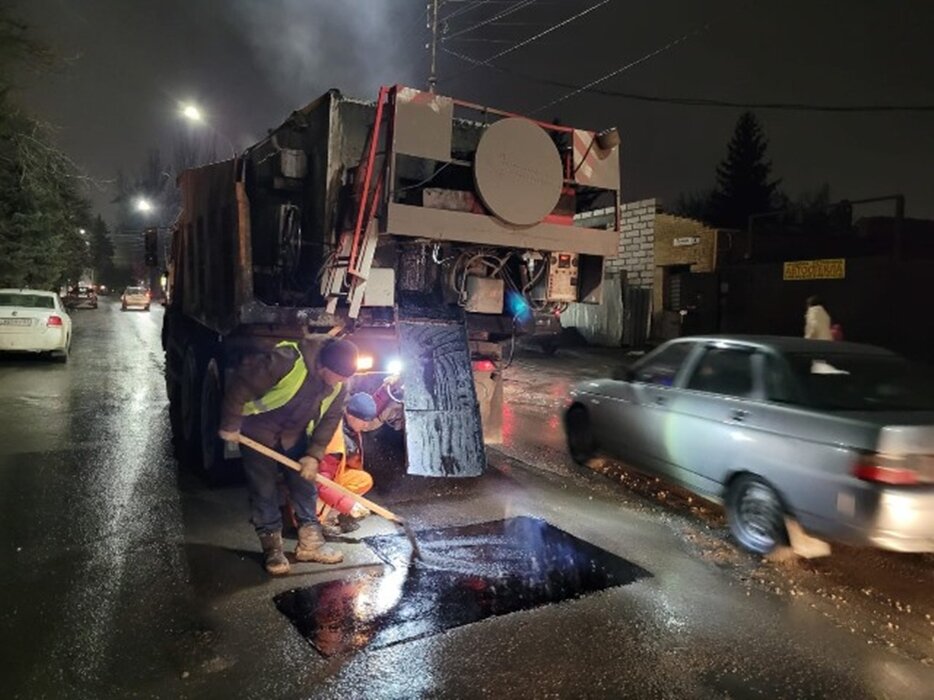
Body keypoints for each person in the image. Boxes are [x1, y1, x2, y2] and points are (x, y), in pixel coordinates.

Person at [218, 335, 359, 575]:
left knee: (305, 484)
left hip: (293, 434)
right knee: (264, 490)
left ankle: (311, 545)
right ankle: (272, 548)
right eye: (338, 376)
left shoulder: (339, 384)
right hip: (257, 431)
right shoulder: (288, 360)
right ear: (323, 367)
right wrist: (230, 424)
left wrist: (313, 455)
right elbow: (241, 384)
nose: (341, 382)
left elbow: (330, 420)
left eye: (345, 378)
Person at [317, 392, 380, 536]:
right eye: (364, 421)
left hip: (333, 476)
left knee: (362, 479)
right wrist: (350, 506)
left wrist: (389, 389)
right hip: (314, 485)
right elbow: (321, 483)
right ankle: (318, 522)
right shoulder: (334, 440)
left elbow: (370, 405)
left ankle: (332, 515)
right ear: (350, 415)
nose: (367, 425)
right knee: (319, 492)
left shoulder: (349, 422)